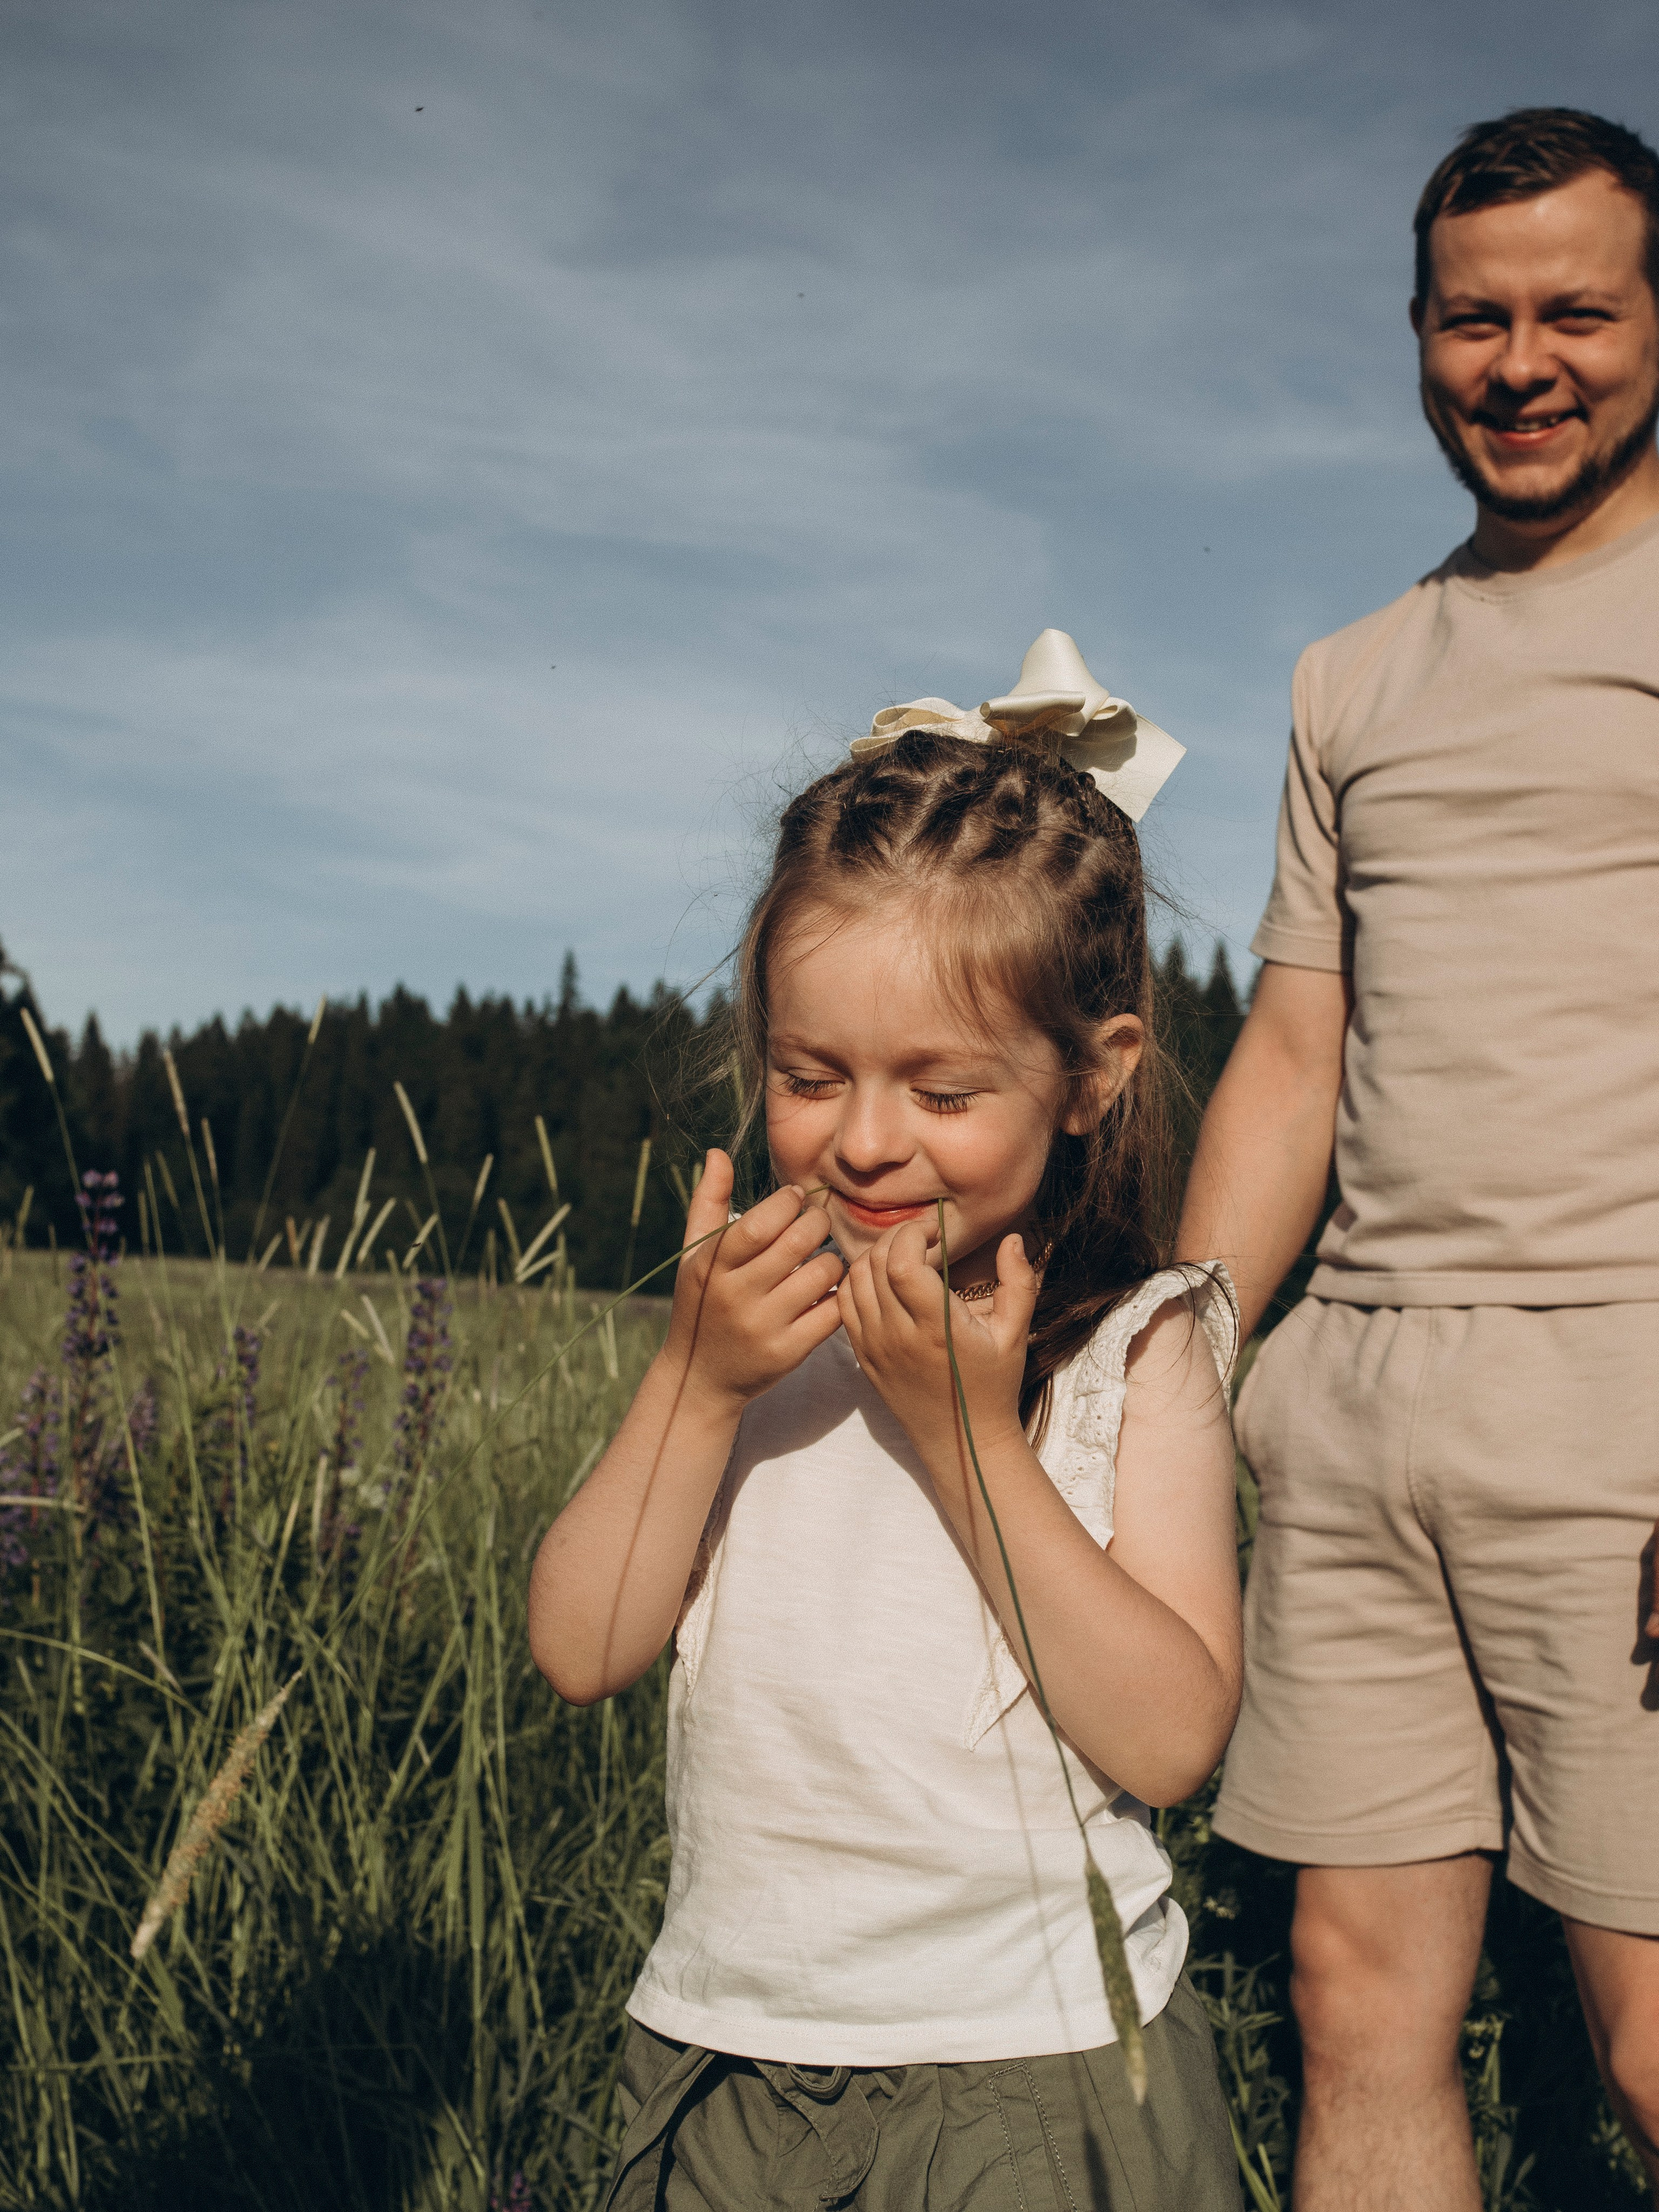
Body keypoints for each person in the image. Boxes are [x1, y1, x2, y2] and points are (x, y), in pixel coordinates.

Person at [529, 632, 1245, 2211]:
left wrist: (967, 1432)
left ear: (1090, 1075)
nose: (861, 1142)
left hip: (1035, 2074)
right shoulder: (753, 1338)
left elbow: (1170, 1737)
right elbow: (581, 1648)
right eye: (808, 1073)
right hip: (726, 2052)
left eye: (940, 1093)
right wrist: (692, 1383)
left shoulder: (1135, 1344)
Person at [1176, 107, 1659, 2212]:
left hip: (1625, 1387)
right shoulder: (1347, 675)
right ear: (1416, 333)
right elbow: (1298, 1048)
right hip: (1354, 1400)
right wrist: (1182, 1365)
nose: (1523, 361)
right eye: (1478, 317)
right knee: (1356, 1989)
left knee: (1650, 2014)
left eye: (1579, 310)